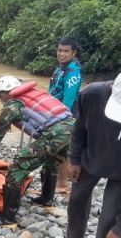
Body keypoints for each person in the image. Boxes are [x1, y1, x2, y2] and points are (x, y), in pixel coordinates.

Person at [0, 76, 74, 226]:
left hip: (57, 134)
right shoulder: (34, 94)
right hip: (73, 128)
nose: (1, 101)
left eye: (0, 98)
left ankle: (8, 217)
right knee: (51, 160)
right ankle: (46, 199)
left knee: (17, 167)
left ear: (3, 94)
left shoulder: (12, 106)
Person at [67, 74, 121, 238]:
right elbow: (79, 128)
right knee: (76, 200)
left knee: (109, 218)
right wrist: (74, 159)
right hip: (91, 155)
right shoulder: (91, 95)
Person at [49, 37, 83, 193]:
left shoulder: (72, 72)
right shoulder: (60, 68)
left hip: (66, 115)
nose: (61, 54)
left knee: (62, 150)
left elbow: (68, 100)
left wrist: (59, 119)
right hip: (54, 111)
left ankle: (62, 184)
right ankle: (60, 181)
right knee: (59, 150)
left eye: (65, 51)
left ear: (73, 53)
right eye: (59, 50)